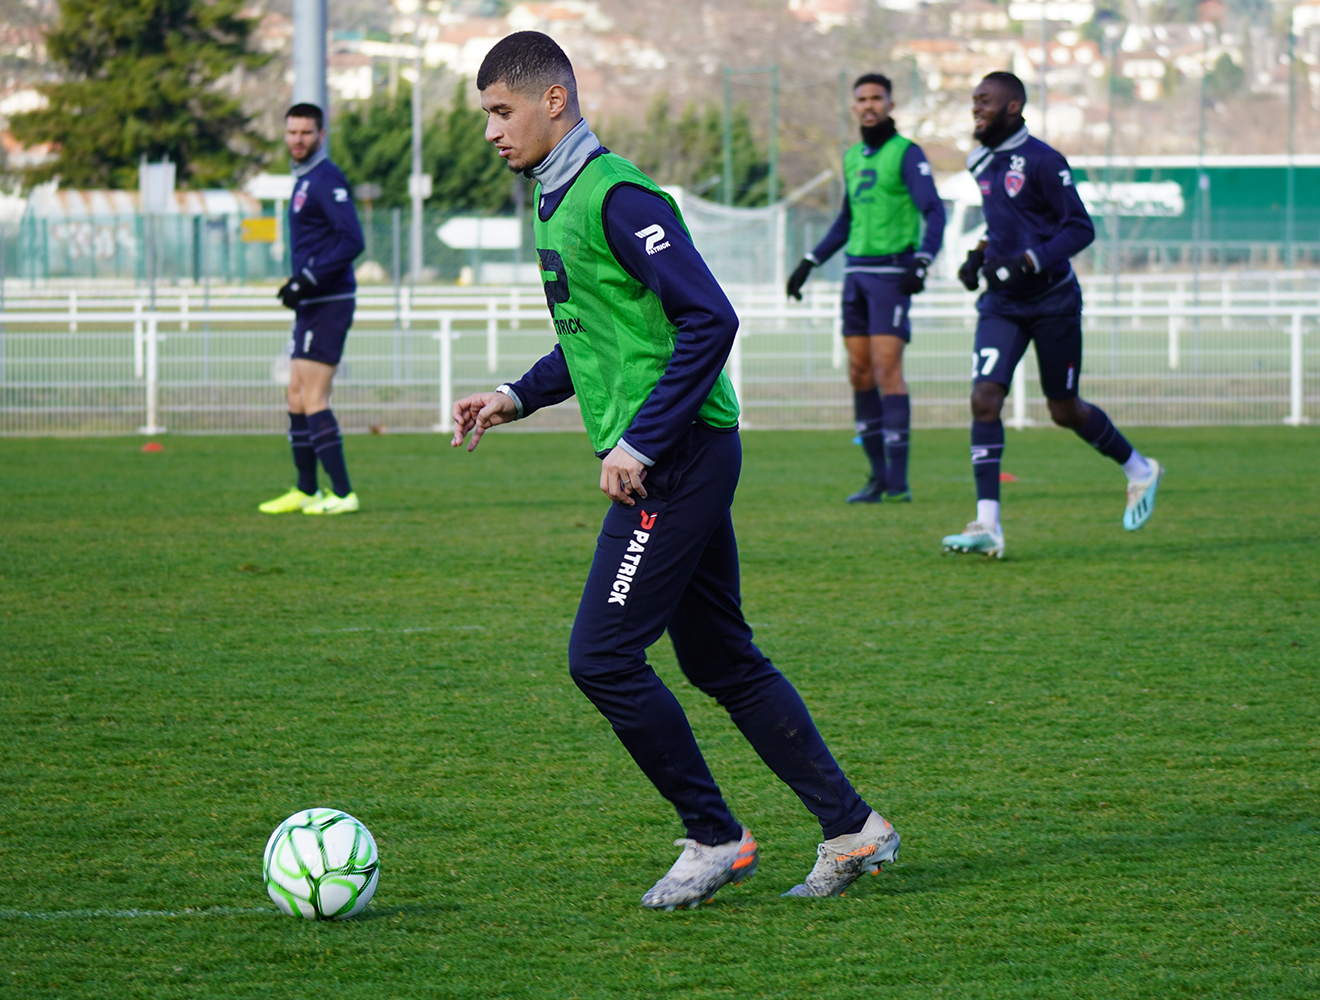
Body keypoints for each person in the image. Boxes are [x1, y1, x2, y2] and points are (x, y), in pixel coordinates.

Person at [451, 31, 899, 910]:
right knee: (720, 657)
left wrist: (640, 442)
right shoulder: (557, 198)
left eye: (502, 111)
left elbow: (710, 320)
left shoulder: (618, 195)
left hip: (678, 458)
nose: (493, 132)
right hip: (673, 455)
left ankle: (715, 837)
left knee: (603, 656)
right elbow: (607, 340)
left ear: (554, 101)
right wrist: (515, 394)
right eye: (486, 116)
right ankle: (854, 829)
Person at [945, 72, 1163, 558]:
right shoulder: (979, 158)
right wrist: (978, 254)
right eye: (974, 100)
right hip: (1001, 304)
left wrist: (1026, 262)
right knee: (985, 398)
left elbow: (1080, 229)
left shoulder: (1044, 160)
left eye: (986, 101)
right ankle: (987, 524)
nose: (976, 108)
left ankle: (1139, 469)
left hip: (1053, 302)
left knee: (1063, 409)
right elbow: (1003, 218)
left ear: (1013, 106)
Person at [786, 73, 944, 503]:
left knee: (887, 370)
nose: (869, 105)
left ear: (891, 105)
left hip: (892, 276)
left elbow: (934, 210)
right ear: (853, 107)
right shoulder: (854, 156)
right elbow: (846, 221)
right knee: (858, 373)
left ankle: (899, 480)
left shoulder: (907, 154)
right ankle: (876, 478)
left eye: (877, 98)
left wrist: (924, 260)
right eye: (861, 99)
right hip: (855, 275)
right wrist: (809, 261)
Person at [259, 103, 365, 517]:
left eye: (306, 133)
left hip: (329, 301)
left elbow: (351, 240)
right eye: (292, 132)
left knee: (314, 395)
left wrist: (308, 279)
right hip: (312, 303)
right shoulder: (303, 180)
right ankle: (306, 489)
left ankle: (342, 493)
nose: (297, 140)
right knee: (296, 394)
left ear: (321, 135)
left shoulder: (326, 179)